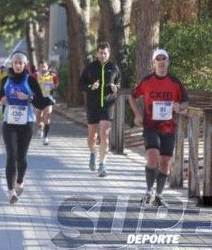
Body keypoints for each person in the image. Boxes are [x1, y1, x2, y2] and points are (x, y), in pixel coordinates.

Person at [128, 49, 188, 208]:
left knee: (165, 163)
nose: (161, 62)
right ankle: (148, 191)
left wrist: (178, 107)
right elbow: (132, 96)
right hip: (151, 127)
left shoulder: (175, 82)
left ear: (168, 62)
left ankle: (159, 196)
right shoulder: (147, 81)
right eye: (158, 59)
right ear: (154, 63)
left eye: (164, 59)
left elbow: (185, 102)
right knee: (152, 158)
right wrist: (137, 115)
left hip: (169, 128)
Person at [0, 52, 43, 204]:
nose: (17, 66)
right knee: (11, 155)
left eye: (20, 63)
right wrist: (2, 100)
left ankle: (20, 180)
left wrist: (28, 98)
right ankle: (11, 191)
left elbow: (41, 101)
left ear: (25, 65)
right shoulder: (5, 80)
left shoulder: (30, 81)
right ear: (12, 64)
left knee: (21, 157)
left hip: (26, 123)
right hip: (9, 123)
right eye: (15, 63)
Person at [79, 42, 121, 177]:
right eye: (100, 53)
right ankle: (92, 153)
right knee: (92, 137)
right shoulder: (90, 68)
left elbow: (119, 82)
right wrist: (91, 86)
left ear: (109, 54)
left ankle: (102, 165)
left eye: (105, 53)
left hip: (108, 105)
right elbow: (81, 85)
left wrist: (116, 87)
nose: (103, 55)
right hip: (93, 105)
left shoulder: (114, 68)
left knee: (104, 134)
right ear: (97, 53)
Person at [34, 60, 59, 145]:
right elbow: (31, 85)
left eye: (44, 66)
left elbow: (56, 85)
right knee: (38, 118)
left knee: (47, 117)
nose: (43, 68)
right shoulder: (35, 75)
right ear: (39, 67)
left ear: (48, 67)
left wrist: (51, 86)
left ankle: (45, 137)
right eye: (41, 66)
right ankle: (40, 128)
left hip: (48, 99)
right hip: (38, 99)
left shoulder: (53, 76)